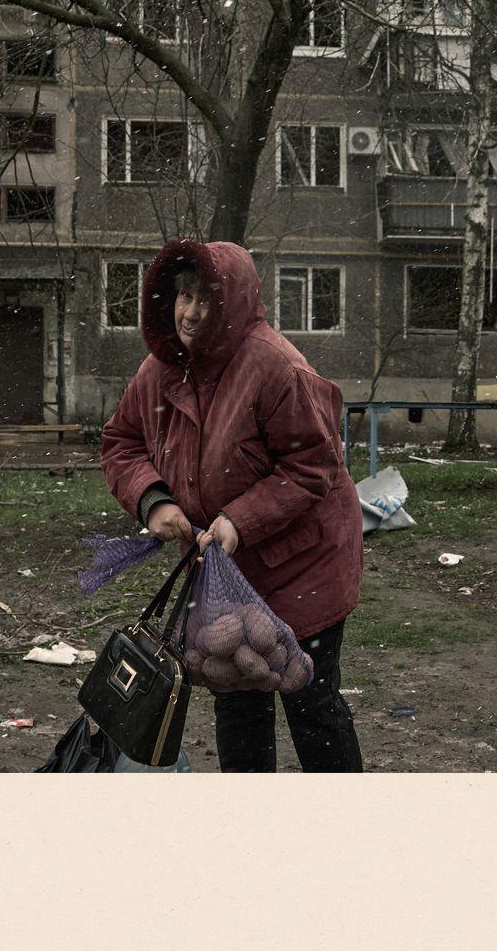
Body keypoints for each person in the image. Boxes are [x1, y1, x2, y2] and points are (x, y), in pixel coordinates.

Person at [100, 238, 364, 772]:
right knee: (238, 702)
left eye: (206, 300)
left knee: (310, 701)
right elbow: (122, 442)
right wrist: (153, 500)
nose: (191, 313)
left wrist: (238, 520)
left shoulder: (277, 368)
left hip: (303, 566)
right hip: (223, 573)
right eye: (184, 296)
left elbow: (312, 466)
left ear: (232, 303)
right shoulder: (158, 371)